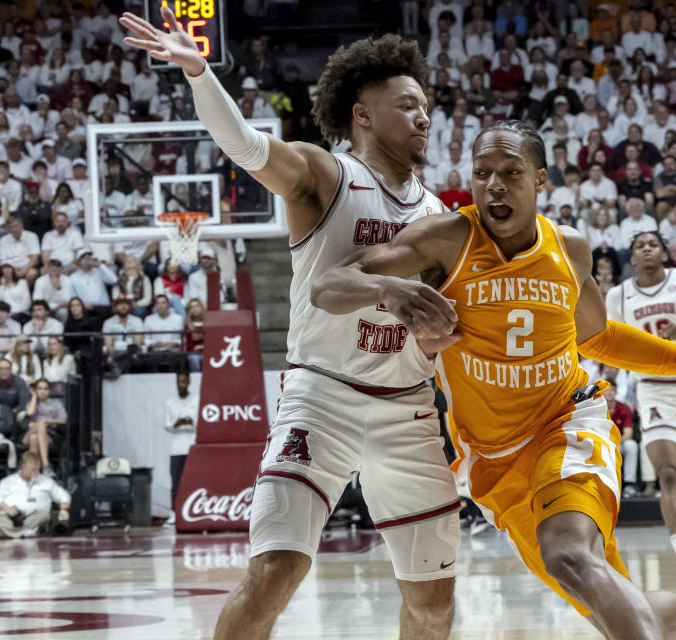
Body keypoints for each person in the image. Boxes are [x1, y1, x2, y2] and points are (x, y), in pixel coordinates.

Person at [312, 120, 676, 639]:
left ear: (540, 180)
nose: (494, 185)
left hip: (567, 425)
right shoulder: (446, 241)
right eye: (482, 173)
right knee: (617, 609)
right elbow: (327, 285)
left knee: (567, 555)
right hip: (494, 463)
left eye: (511, 173)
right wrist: (388, 288)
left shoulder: (569, 250)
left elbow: (597, 338)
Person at [121, 13, 462, 639]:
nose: (424, 117)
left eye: (427, 106)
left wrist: (436, 334)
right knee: (275, 571)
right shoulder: (325, 174)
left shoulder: (439, 215)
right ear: (362, 114)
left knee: (434, 603)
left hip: (407, 405)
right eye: (408, 104)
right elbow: (249, 148)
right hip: (321, 398)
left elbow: (435, 325)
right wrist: (200, 73)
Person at [605, 230, 676, 589]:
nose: (647, 249)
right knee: (668, 474)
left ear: (665, 253)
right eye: (640, 246)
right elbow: (610, 342)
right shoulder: (618, 295)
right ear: (632, 257)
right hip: (653, 390)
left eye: (654, 244)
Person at [0, 452, 70, 538]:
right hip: (12, 518)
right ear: (23, 467)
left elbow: (63, 495)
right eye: (33, 469)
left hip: (35, 518)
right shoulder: (8, 481)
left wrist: (64, 509)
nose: (36, 472)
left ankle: (11, 532)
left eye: (38, 469)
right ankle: (25, 532)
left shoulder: (47, 481)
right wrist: (8, 510)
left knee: (45, 515)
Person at [164, 371, 198, 526]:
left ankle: (192, 512)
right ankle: (173, 513)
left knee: (193, 482)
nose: (181, 385)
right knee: (176, 483)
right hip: (176, 448)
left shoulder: (196, 399)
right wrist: (176, 423)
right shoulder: (170, 402)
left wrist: (188, 421)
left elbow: (199, 421)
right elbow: (167, 424)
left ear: (189, 382)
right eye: (179, 382)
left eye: (184, 381)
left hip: (191, 446)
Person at [23, 378, 67, 475]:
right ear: (36, 390)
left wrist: (48, 421)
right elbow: (29, 413)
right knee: (39, 425)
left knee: (35, 437)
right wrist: (34, 396)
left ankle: (34, 472)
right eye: (39, 389)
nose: (42, 391)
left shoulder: (56, 403)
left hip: (48, 437)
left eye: (45, 389)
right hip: (27, 436)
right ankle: (46, 465)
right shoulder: (32, 403)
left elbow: (64, 420)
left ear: (49, 391)